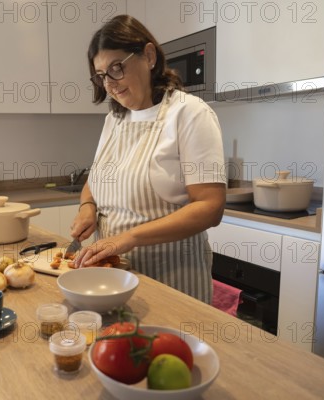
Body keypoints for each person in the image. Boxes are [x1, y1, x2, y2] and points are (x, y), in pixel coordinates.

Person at [71, 15, 226, 304]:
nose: (110, 84)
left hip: (172, 281)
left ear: (149, 56)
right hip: (114, 282)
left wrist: (128, 238)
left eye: (117, 68)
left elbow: (210, 207)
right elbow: (95, 181)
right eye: (101, 75)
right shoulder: (114, 120)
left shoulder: (189, 113)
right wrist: (87, 208)